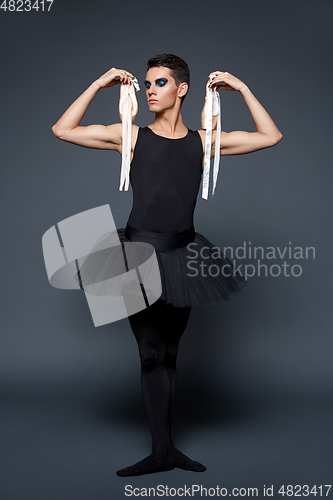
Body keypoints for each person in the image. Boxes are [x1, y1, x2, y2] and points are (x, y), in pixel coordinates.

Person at [51, 54, 283, 477]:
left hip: (183, 256)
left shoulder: (204, 141)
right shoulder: (132, 137)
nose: (149, 90)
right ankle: (159, 451)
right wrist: (100, 83)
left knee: (171, 353)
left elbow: (271, 136)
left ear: (182, 89)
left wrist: (242, 88)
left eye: (159, 83)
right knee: (149, 352)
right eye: (146, 83)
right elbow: (62, 129)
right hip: (137, 254)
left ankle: (167, 450)